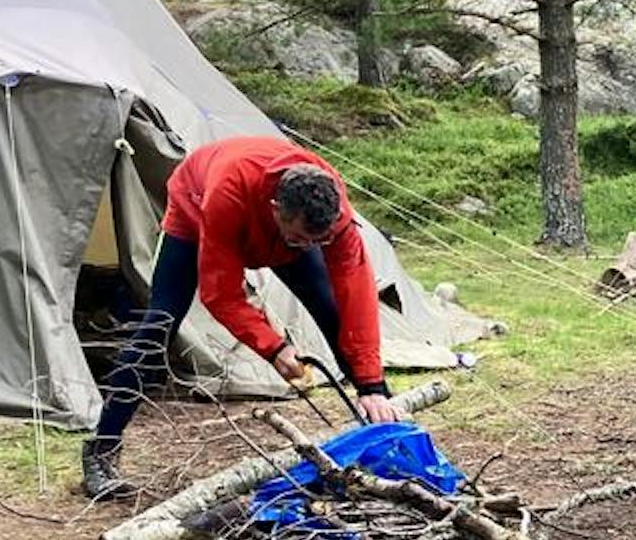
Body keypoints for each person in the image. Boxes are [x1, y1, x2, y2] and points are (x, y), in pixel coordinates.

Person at [82, 136, 403, 500]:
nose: (308, 248)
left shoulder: (332, 210)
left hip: (270, 220)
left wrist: (371, 383)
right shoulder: (227, 194)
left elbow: (356, 293)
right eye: (300, 239)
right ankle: (102, 449)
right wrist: (273, 348)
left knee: (333, 313)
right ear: (275, 209)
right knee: (158, 328)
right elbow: (220, 294)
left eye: (318, 240)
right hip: (196, 207)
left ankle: (384, 433)